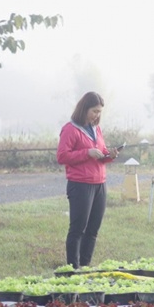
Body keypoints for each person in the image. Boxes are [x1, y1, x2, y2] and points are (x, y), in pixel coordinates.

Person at [56, 92, 118, 268]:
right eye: (94, 111)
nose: (97, 115)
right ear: (84, 108)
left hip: (100, 184)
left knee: (93, 230)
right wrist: (86, 152)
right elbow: (62, 156)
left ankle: (85, 266)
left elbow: (100, 154)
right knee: (78, 229)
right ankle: (73, 269)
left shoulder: (96, 129)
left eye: (99, 112)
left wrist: (109, 155)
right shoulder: (70, 129)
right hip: (80, 185)